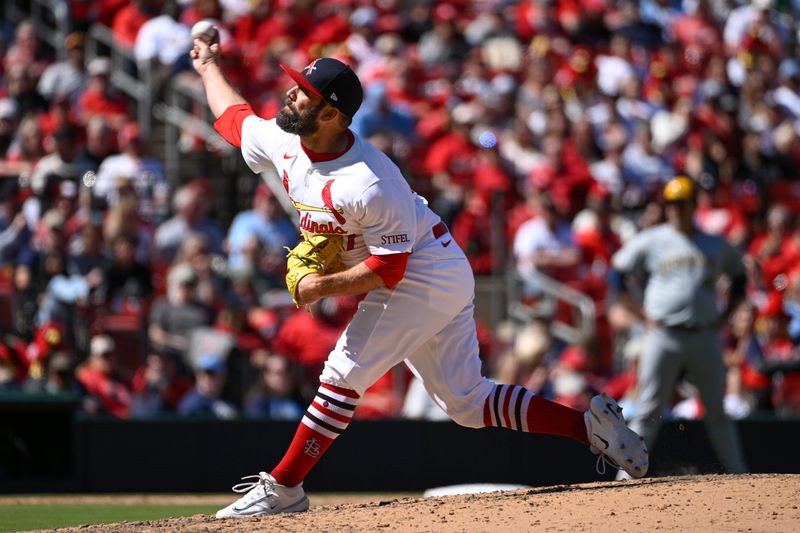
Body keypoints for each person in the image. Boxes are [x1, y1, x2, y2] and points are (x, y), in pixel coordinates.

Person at [191, 33, 647, 519]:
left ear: (330, 115)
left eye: (303, 91)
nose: (290, 93)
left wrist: (318, 287)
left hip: (420, 273)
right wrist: (208, 67)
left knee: (342, 374)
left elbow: (391, 269)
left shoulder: (368, 180)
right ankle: (591, 428)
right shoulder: (286, 141)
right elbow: (234, 120)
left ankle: (284, 488)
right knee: (467, 403)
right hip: (440, 268)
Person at [611, 176, 748, 480]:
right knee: (648, 409)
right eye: (671, 204)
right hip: (664, 334)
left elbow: (739, 276)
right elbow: (617, 271)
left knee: (717, 410)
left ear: (692, 205)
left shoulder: (713, 243)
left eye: (681, 204)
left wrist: (726, 317)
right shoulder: (652, 239)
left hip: (704, 335)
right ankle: (624, 476)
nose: (676, 210)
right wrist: (638, 312)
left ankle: (740, 476)